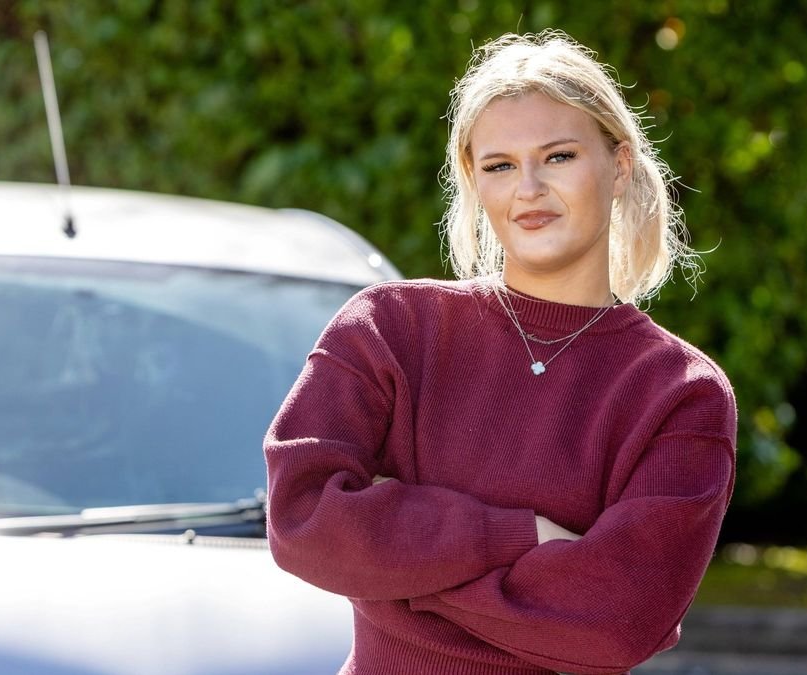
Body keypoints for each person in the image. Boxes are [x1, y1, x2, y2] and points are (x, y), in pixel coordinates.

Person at [265, 30, 736, 675]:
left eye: (559, 156)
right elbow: (301, 518)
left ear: (619, 166)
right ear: (473, 180)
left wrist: (393, 563)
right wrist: (522, 537)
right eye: (499, 166)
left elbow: (619, 621)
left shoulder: (680, 392)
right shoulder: (389, 329)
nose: (529, 188)